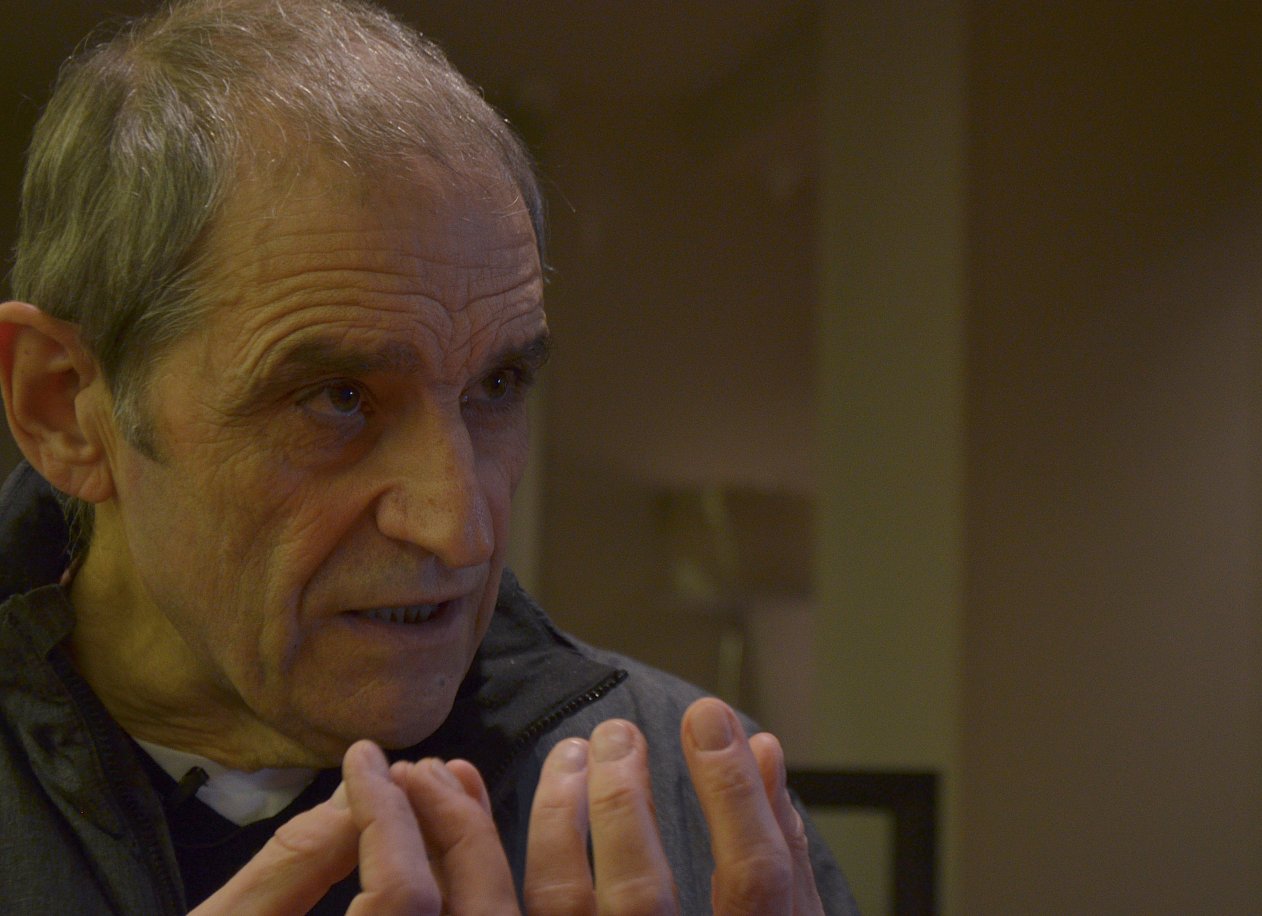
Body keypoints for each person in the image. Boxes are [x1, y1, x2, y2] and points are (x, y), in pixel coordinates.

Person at [0, 1, 856, 913]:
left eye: (498, 385)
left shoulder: (702, 808)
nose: (462, 530)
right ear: (65, 409)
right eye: (337, 398)